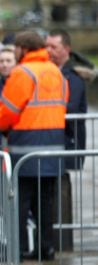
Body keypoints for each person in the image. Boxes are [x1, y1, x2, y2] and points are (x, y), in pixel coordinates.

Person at [0, 31, 68, 261]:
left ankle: (16, 250)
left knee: (20, 201)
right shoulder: (55, 71)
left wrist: (0, 124)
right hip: (54, 145)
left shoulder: (22, 73)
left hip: (25, 147)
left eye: (16, 48)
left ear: (23, 49)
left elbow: (7, 111)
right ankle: (45, 248)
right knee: (45, 202)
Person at [45, 29, 89, 169]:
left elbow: (72, 107)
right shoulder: (46, 70)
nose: (48, 50)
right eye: (47, 46)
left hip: (68, 138)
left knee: (62, 181)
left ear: (66, 49)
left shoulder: (74, 76)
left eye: (53, 47)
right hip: (51, 137)